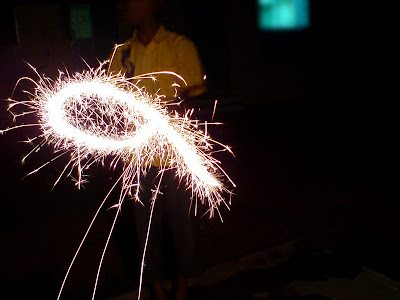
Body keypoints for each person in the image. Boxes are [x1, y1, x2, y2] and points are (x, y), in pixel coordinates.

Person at [109, 1, 206, 299]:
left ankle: (181, 286)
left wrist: (160, 114)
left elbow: (193, 99)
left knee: (181, 227)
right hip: (138, 158)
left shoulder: (180, 46)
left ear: (154, 6)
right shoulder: (122, 52)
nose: (125, 5)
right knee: (145, 231)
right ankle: (157, 289)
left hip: (176, 157)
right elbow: (114, 99)